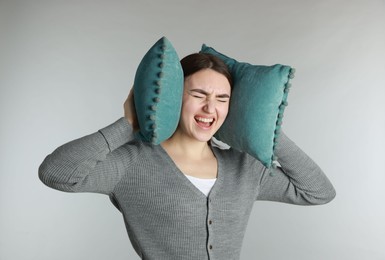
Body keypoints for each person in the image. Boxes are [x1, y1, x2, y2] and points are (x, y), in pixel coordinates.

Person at [39, 53, 336, 260]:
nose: (210, 108)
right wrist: (129, 123)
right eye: (198, 95)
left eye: (222, 99)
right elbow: (57, 173)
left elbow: (317, 192)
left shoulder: (244, 167)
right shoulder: (133, 163)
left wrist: (267, 130)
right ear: (175, 96)